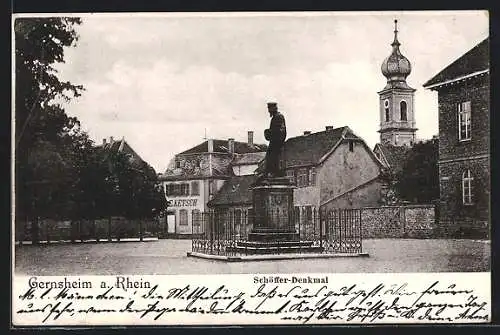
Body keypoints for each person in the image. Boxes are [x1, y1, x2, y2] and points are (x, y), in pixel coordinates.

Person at [262, 102, 286, 178]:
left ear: (274, 108)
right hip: (275, 141)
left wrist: (269, 132)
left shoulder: (279, 117)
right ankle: (271, 172)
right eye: (268, 109)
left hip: (277, 142)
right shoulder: (275, 117)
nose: (269, 111)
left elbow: (281, 131)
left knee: (272, 156)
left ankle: (274, 172)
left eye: (269, 109)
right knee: (269, 156)